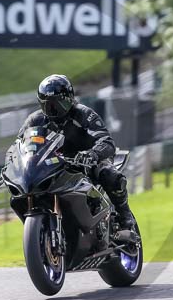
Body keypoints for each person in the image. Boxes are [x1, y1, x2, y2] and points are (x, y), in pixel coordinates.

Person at [14, 74, 135, 230]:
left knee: (109, 174)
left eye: (58, 103)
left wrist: (92, 154)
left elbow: (106, 141)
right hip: (54, 165)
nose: (53, 109)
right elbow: (20, 145)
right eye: (48, 105)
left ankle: (125, 214)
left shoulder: (83, 114)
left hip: (86, 161)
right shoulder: (34, 120)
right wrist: (15, 164)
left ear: (70, 99)